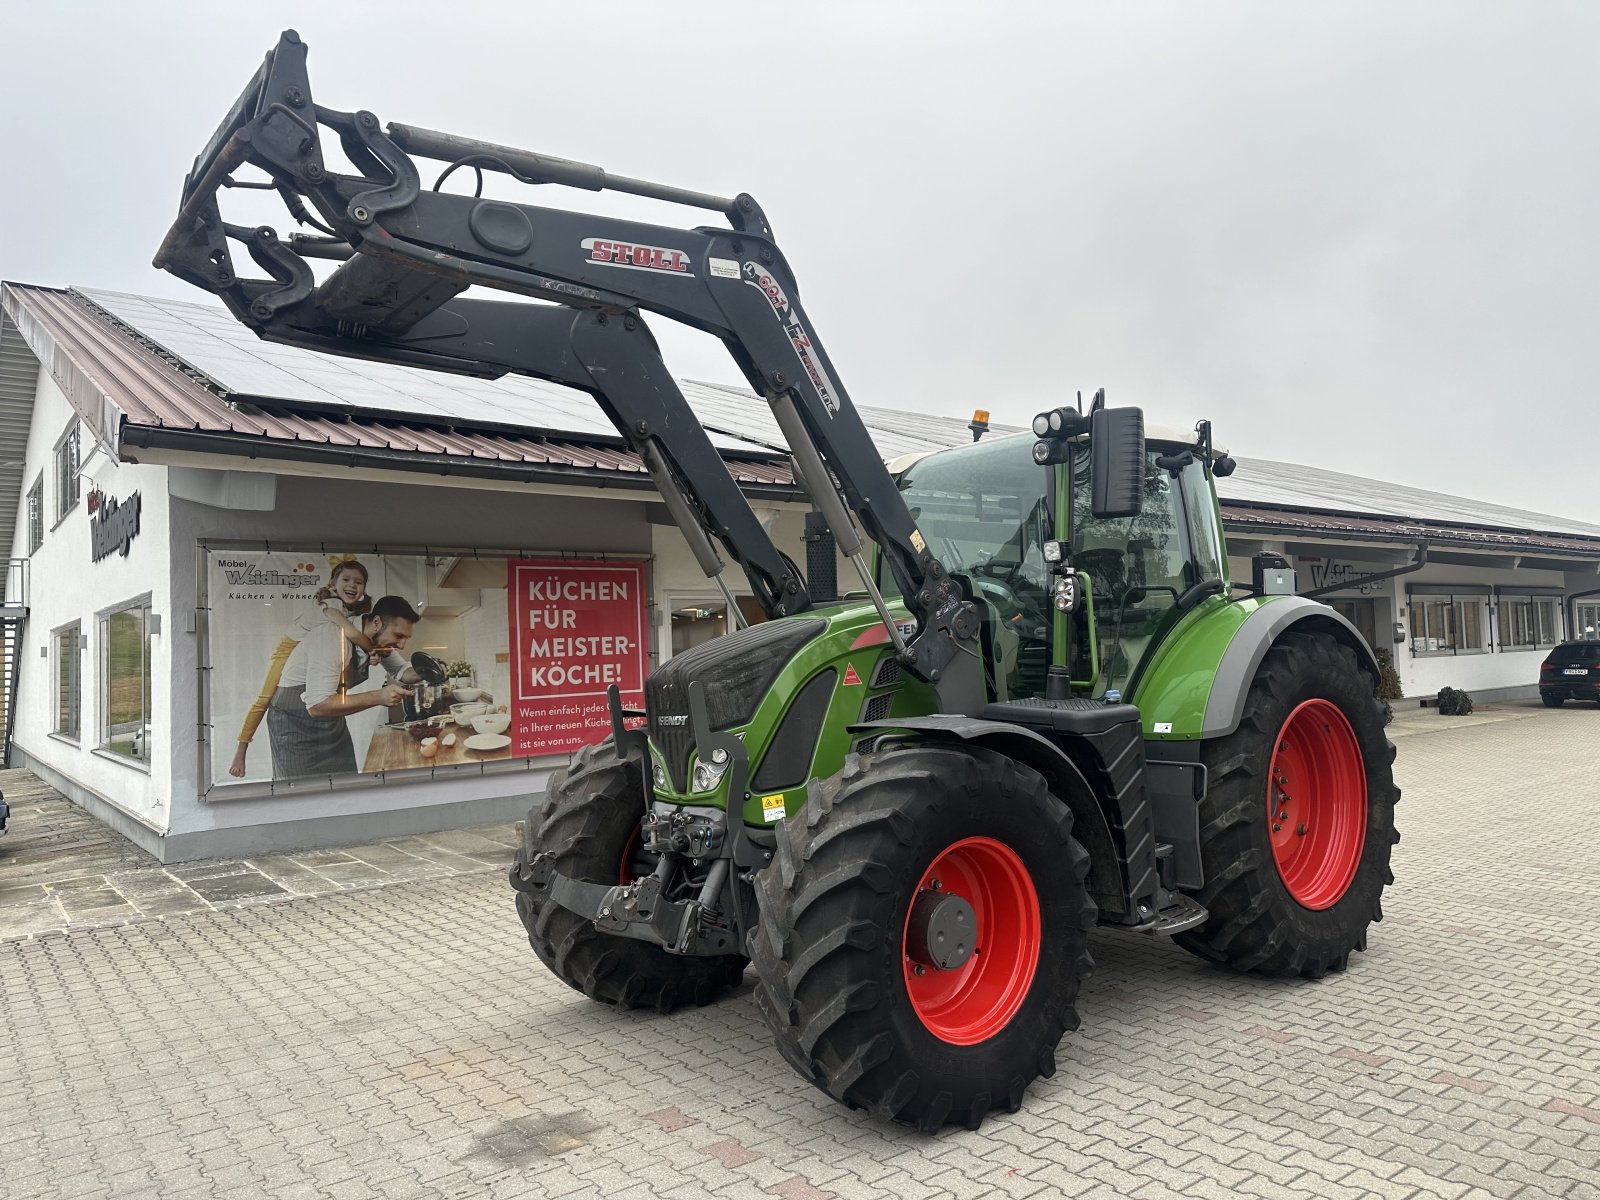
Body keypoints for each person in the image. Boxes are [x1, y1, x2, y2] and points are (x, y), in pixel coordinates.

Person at [229, 560, 377, 778]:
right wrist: (375, 650)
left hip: (303, 661)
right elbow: (353, 634)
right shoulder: (331, 605)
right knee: (263, 700)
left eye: (359, 582)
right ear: (333, 584)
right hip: (286, 648)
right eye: (346, 579)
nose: (353, 585)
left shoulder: (347, 611)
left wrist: (366, 656)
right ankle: (240, 753)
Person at [264, 595, 421, 778]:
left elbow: (402, 671)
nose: (401, 645)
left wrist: (431, 669)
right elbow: (317, 705)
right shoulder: (331, 637)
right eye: (399, 636)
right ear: (377, 622)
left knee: (345, 785)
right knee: (305, 796)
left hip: (330, 721)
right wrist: (379, 696)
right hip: (295, 726)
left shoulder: (376, 642)